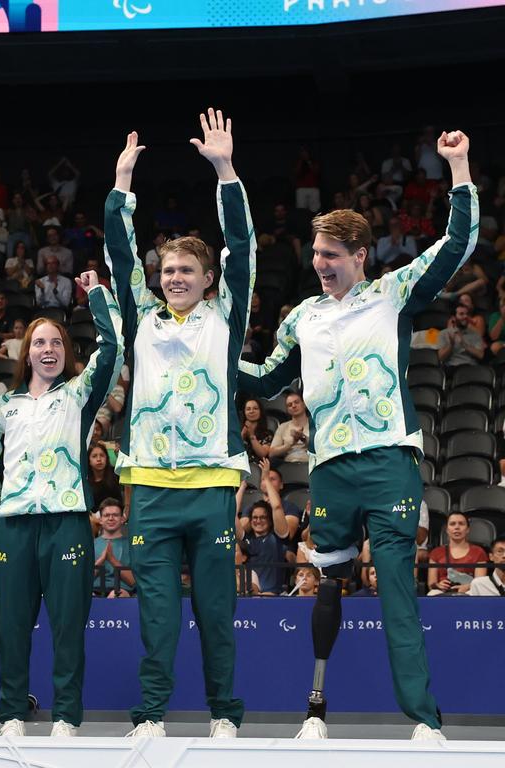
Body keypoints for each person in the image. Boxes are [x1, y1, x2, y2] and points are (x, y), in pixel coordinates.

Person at [238, 129, 477, 741]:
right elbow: (267, 383)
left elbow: (456, 245)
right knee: (328, 587)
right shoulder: (302, 317)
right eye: (316, 254)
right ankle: (315, 711)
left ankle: (424, 721)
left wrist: (458, 168)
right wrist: (214, 360)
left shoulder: (392, 294)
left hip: (390, 463)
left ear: (360, 255)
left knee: (397, 587)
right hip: (330, 471)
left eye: (330, 255)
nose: (319, 264)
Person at [103, 109, 254, 739]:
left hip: (214, 484)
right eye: (167, 271)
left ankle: (224, 714)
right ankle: (152, 715)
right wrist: (121, 187)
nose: (174, 278)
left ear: (208, 279)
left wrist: (225, 173)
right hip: (154, 491)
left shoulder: (227, 316)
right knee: (157, 614)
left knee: (216, 612)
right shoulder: (143, 319)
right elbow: (118, 255)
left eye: (186, 271)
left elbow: (242, 246)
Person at [0, 271, 122, 738]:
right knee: (11, 628)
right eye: (39, 342)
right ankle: (12, 713)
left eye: (56, 343)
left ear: (66, 351)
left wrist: (96, 295)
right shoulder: (4, 406)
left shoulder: (79, 396)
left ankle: (66, 716)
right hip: (15, 527)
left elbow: (114, 348)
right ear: (26, 352)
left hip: (67, 524)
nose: (48, 349)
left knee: (67, 628)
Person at [236, 499, 290, 595]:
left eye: (263, 517)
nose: (258, 521)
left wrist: (267, 483)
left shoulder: (277, 539)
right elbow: (232, 513)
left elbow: (277, 507)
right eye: (255, 517)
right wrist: (242, 486)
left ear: (270, 520)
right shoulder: (246, 540)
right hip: (250, 596)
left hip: (273, 596)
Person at [426, 512, 488, 594]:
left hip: (470, 592)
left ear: (468, 529)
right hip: (443, 592)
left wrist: (467, 587)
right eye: (452, 524)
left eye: (461, 524)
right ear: (447, 530)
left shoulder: (479, 552)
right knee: (432, 593)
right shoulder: (436, 553)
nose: (457, 527)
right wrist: (438, 585)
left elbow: (480, 583)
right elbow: (431, 584)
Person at [93, 498, 135, 598]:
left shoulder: (132, 546)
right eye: (106, 515)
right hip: (94, 592)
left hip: (122, 592)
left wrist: (112, 559)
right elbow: (83, 580)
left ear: (122, 519)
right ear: (100, 520)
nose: (111, 518)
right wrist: (101, 560)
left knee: (115, 594)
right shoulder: (91, 545)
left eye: (115, 515)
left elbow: (133, 581)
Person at [437, 301, 485, 367]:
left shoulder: (475, 334)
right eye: (461, 314)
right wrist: (451, 345)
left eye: (467, 314)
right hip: (452, 367)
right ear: (453, 317)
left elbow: (481, 355)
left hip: (470, 367)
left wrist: (464, 344)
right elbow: (441, 357)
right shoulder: (444, 333)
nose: (465, 316)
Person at [268, 392, 309, 464]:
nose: (293, 406)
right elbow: (272, 452)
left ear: (304, 404)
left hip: (311, 463)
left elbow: (323, 448)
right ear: (287, 410)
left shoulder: (315, 424)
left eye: (296, 402)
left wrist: (304, 438)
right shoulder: (283, 427)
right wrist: (290, 444)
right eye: (289, 405)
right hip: (288, 465)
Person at [88, 441, 122, 510]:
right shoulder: (85, 480)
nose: (99, 459)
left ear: (107, 457)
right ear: (88, 460)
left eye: (102, 455)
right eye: (94, 456)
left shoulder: (116, 473)